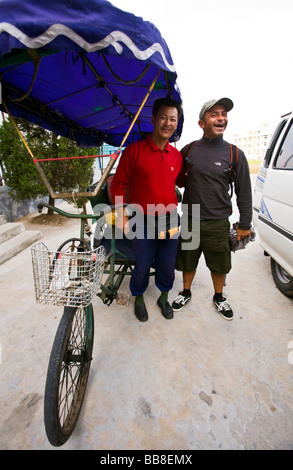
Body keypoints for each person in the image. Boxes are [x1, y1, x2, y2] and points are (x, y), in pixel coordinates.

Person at [172, 98, 252, 320]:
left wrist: (245, 224)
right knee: (187, 260)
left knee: (220, 264)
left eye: (224, 114)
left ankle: (219, 297)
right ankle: (185, 291)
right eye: (214, 114)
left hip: (218, 221)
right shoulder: (188, 151)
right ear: (202, 123)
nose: (221, 118)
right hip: (190, 218)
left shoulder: (236, 154)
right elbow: (177, 179)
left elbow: (244, 191)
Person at [110, 97, 183, 322]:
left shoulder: (177, 156)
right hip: (142, 219)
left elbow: (177, 182)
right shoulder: (134, 151)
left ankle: (163, 297)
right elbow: (119, 184)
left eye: (173, 119)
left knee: (168, 263)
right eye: (163, 117)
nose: (168, 123)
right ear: (153, 119)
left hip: (170, 218)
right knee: (142, 263)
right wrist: (121, 212)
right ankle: (139, 297)